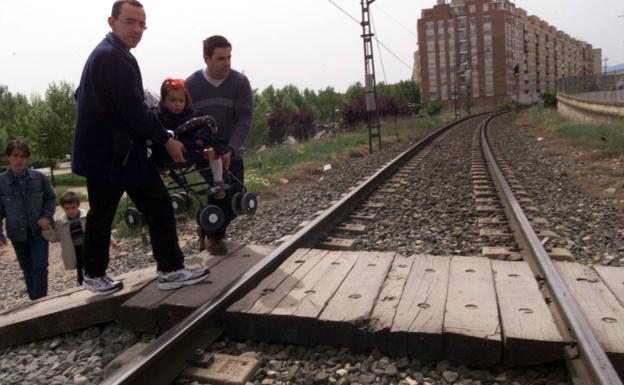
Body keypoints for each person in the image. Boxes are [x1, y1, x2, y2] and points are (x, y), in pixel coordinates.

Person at [72, 0, 209, 295]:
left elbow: (82, 96)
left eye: (141, 24)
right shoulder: (115, 58)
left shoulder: (105, 53)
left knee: (106, 212)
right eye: (130, 22)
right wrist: (166, 139)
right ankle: (170, 270)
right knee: (152, 205)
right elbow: (134, 110)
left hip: (111, 152)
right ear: (113, 22)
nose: (137, 29)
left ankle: (94, 274)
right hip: (116, 155)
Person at [185, 35, 253, 255]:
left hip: (232, 149)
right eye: (221, 58)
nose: (227, 63)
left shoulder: (240, 83)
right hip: (205, 151)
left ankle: (206, 222)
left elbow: (244, 121)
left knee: (236, 197)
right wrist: (202, 148)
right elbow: (187, 122)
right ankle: (215, 237)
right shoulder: (191, 86)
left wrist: (230, 150)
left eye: (229, 57)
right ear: (206, 58)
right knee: (219, 190)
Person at [0, 140, 56, 300]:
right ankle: (34, 301)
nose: (19, 160)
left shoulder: (39, 178)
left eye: (23, 156)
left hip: (38, 232)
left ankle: (41, 303)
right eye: (15, 156)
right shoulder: (2, 183)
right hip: (17, 234)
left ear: (28, 158)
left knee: (40, 267)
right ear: (8, 157)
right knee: (28, 269)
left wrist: (46, 216)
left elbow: (50, 199)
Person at [154, 78, 226, 199]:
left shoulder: (192, 114)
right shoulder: (158, 117)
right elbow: (157, 132)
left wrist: (200, 140)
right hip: (170, 153)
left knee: (216, 150)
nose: (177, 104)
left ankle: (218, 182)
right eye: (172, 100)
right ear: (164, 101)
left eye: (181, 100)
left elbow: (203, 128)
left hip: (195, 148)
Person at [42, 191, 87, 285]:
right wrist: (47, 230)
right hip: (74, 249)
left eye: (73, 207)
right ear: (63, 208)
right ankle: (82, 283)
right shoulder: (61, 223)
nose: (71, 211)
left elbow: (97, 230)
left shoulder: (85, 217)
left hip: (87, 246)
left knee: (91, 264)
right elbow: (55, 237)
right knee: (79, 266)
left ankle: (94, 279)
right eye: (67, 208)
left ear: (78, 205)